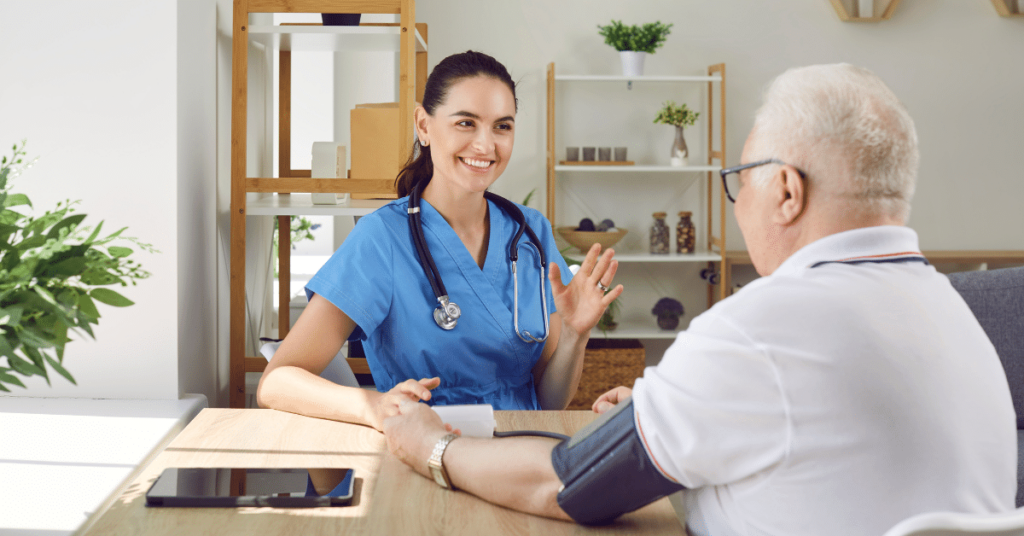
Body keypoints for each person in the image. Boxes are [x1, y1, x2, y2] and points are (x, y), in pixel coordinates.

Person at [382, 63, 1017, 535]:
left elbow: (568, 483)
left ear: (788, 192)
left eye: (742, 182)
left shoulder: (761, 330)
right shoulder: (956, 317)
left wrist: (431, 447)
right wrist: (677, 406)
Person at [257, 50, 623, 431]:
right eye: (466, 123)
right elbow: (276, 383)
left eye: (503, 126)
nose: (486, 145)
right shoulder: (383, 239)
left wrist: (576, 336)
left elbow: (548, 401)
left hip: (524, 444)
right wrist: (372, 405)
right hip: (427, 450)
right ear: (424, 126)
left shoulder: (531, 232)